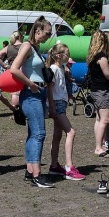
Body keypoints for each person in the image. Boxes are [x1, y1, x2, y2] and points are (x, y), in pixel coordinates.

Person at [9, 16, 55, 188]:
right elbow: (14, 69)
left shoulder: (36, 49)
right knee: (39, 134)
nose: (48, 36)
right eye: (47, 33)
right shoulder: (27, 46)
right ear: (37, 31)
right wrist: (31, 84)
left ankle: (30, 170)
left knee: (33, 133)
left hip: (38, 93)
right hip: (31, 94)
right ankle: (37, 174)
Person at [45, 43, 85, 180]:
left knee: (57, 135)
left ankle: (54, 165)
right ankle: (69, 166)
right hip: (56, 104)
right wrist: (51, 106)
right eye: (67, 54)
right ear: (59, 55)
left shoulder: (61, 69)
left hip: (61, 103)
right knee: (71, 131)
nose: (69, 56)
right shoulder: (54, 69)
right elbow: (50, 88)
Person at [87, 29, 109, 158]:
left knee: (99, 119)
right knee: (105, 119)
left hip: (96, 90)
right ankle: (98, 147)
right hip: (103, 90)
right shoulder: (101, 57)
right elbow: (108, 74)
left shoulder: (92, 55)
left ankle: (99, 144)